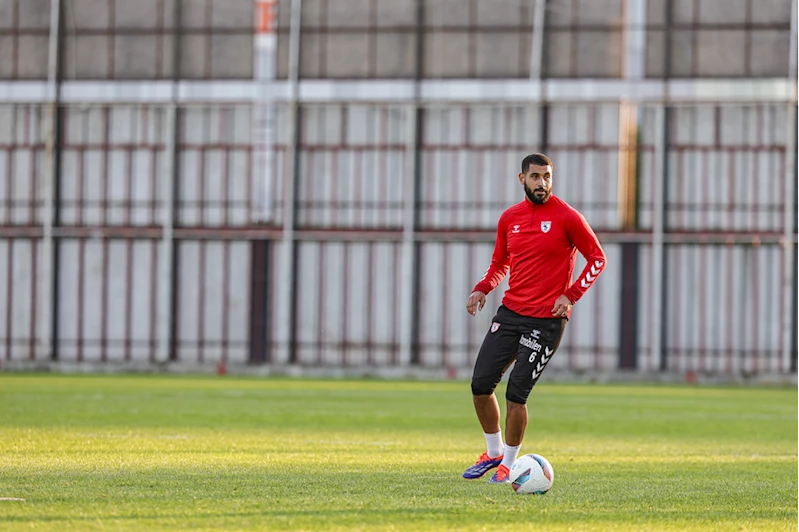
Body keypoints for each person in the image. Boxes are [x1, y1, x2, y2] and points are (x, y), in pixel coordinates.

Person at [462, 153, 607, 484]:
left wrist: (570, 295)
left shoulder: (568, 217)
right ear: (521, 179)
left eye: (547, 177)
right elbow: (500, 262)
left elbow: (597, 259)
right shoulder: (510, 218)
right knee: (481, 384)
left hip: (546, 321)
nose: (542, 183)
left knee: (516, 394)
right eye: (535, 177)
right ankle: (494, 451)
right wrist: (483, 288)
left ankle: (510, 465)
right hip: (511, 312)